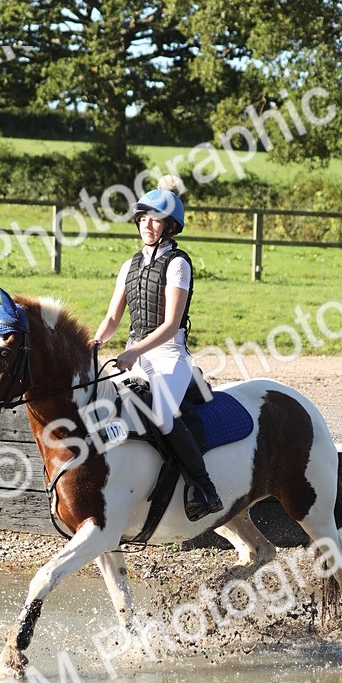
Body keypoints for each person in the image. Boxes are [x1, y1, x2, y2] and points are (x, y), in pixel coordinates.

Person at [92, 175, 223, 521]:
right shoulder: (129, 265)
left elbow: (170, 324)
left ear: (170, 226)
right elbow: (112, 317)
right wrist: (94, 341)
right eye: (143, 219)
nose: (147, 226)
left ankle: (204, 488)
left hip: (169, 356)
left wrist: (134, 352)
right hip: (134, 354)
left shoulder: (178, 264)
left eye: (156, 220)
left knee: (162, 413)